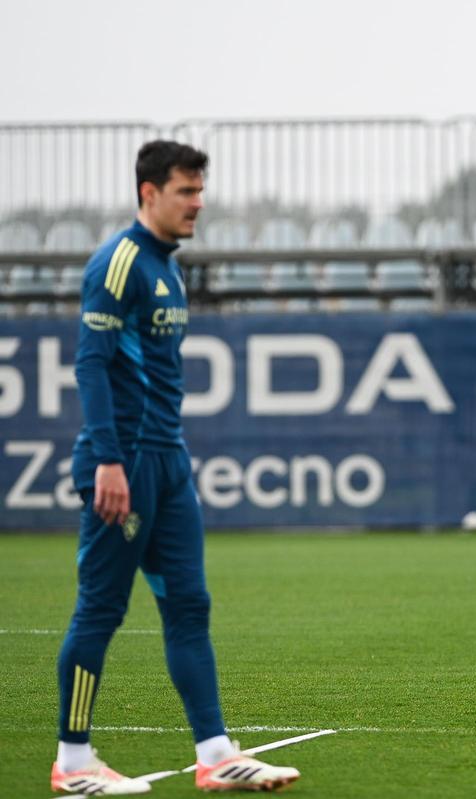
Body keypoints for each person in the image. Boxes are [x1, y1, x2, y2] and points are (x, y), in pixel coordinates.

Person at [51, 141, 300, 795]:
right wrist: (107, 458)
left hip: (167, 460)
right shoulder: (120, 261)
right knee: (100, 609)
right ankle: (73, 761)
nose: (198, 202)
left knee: (190, 605)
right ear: (148, 193)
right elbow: (91, 363)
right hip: (124, 461)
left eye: (200, 190)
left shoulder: (167, 266)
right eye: (186, 191)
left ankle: (215, 752)